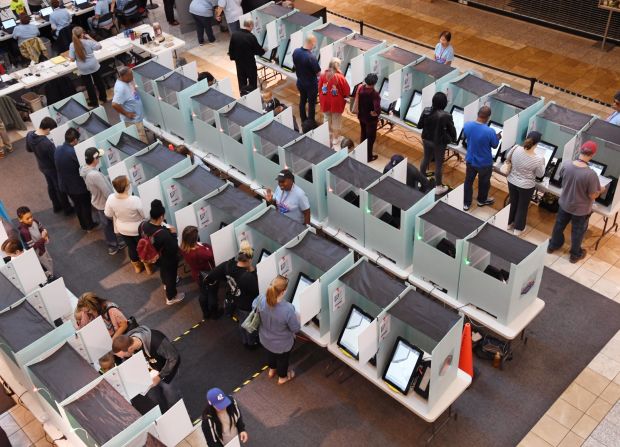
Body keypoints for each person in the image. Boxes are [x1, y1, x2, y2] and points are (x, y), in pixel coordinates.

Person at [548, 141, 606, 263]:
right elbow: (592, 195)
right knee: (578, 231)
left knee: (559, 225)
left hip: (564, 203)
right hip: (580, 210)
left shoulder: (566, 164)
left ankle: (553, 245)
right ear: (593, 154)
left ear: (580, 149)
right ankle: (575, 254)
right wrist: (601, 190)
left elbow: (563, 179)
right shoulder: (591, 174)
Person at [112, 326, 181, 412]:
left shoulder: (156, 342)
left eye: (123, 356)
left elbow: (174, 358)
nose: (123, 358)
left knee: (171, 394)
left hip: (167, 370)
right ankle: (166, 413)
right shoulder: (129, 341)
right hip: (152, 370)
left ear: (130, 349)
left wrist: (159, 377)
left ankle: (180, 413)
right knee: (155, 396)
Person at [206, 240, 258, 346]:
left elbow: (211, 276)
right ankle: (251, 344)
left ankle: (244, 340)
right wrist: (252, 270)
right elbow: (258, 290)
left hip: (235, 299)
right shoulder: (248, 277)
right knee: (250, 325)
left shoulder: (228, 265)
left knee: (242, 322)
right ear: (249, 259)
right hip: (247, 305)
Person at [253, 275, 300, 384]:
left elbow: (254, 308)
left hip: (265, 339)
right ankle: (282, 377)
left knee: (270, 353)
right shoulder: (288, 309)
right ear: (283, 292)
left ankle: (272, 369)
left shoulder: (261, 299)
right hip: (282, 344)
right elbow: (295, 329)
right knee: (283, 360)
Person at [81, 148, 126, 255]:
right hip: (104, 204)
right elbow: (107, 191)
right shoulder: (95, 175)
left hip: (98, 202)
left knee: (107, 225)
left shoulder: (85, 170)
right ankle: (113, 245)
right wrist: (116, 203)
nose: (100, 159)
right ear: (95, 159)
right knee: (109, 225)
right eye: (98, 157)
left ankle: (113, 244)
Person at [26, 117, 73, 214]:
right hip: (52, 168)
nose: (50, 133)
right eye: (51, 130)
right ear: (47, 129)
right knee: (59, 188)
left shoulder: (30, 135)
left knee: (50, 186)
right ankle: (67, 209)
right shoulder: (47, 144)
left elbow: (29, 149)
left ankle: (56, 206)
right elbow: (55, 159)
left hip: (42, 166)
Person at [141, 200, 184, 305]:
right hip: (167, 259)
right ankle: (171, 297)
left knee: (164, 271)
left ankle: (165, 283)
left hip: (155, 257)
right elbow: (174, 248)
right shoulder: (164, 234)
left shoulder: (144, 225)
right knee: (171, 276)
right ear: (161, 217)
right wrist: (173, 234)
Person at [55, 128, 98, 231]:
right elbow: (83, 168)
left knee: (77, 206)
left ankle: (83, 225)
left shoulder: (58, 149)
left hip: (65, 185)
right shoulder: (73, 153)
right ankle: (89, 225)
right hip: (78, 186)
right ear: (74, 140)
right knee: (85, 205)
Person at [104, 175, 148, 273]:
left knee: (131, 247)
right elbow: (145, 215)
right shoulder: (134, 200)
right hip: (137, 229)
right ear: (126, 187)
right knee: (142, 247)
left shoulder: (111, 198)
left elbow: (108, 214)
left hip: (122, 229)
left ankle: (137, 267)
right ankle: (147, 265)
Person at [506, 131, 545, 235]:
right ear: (537, 144)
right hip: (526, 186)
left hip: (511, 180)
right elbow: (540, 174)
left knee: (513, 202)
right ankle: (518, 229)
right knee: (522, 206)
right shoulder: (539, 159)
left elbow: (507, 158)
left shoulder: (516, 148)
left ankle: (508, 223)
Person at [462, 105, 500, 211]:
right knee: (484, 183)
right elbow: (494, 145)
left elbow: (467, 137)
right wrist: (497, 137)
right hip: (484, 163)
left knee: (468, 182)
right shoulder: (490, 131)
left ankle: (466, 203)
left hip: (470, 160)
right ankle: (481, 201)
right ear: (488, 118)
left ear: (478, 114)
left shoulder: (467, 125)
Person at [417, 91, 456, 194]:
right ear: (444, 104)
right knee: (439, 164)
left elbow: (419, 125)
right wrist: (452, 139)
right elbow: (452, 131)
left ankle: (421, 181)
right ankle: (438, 187)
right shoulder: (446, 116)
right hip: (438, 143)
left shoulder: (426, 111)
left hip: (426, 139)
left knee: (426, 158)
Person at [180, 225, 215, 320]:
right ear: (195, 239)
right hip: (207, 274)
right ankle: (214, 313)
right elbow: (211, 254)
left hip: (196, 274)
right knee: (212, 294)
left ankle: (206, 313)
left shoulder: (183, 248)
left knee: (203, 293)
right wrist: (206, 246)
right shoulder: (200, 251)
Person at [68, 27, 107, 108]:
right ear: (82, 34)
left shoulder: (72, 45)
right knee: (99, 82)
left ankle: (94, 102)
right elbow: (99, 46)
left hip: (83, 68)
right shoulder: (88, 42)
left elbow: (71, 59)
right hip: (93, 65)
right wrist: (90, 38)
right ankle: (103, 98)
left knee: (89, 86)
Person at [318, 57, 350, 148]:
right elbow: (346, 91)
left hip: (325, 100)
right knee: (336, 120)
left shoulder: (323, 74)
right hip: (336, 102)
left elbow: (319, 87)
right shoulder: (340, 77)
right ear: (338, 66)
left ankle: (327, 136)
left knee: (326, 118)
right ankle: (335, 139)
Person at [112, 67, 148, 144]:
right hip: (133, 122)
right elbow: (114, 104)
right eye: (131, 75)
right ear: (124, 76)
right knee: (141, 143)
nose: (132, 77)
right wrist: (127, 113)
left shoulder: (126, 82)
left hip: (137, 119)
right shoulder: (121, 88)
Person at [228, 19, 264, 94]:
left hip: (239, 64)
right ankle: (253, 96)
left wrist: (234, 58)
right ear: (250, 26)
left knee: (241, 82)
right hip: (250, 64)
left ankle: (243, 95)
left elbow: (231, 49)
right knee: (252, 82)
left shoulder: (235, 34)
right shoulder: (251, 37)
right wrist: (263, 51)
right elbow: (258, 50)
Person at [17, 206, 53, 277]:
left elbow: (41, 229)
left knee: (49, 261)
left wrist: (45, 235)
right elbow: (32, 247)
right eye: (27, 218)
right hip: (37, 253)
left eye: (31, 216)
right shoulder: (25, 232)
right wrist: (43, 238)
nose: (30, 219)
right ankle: (49, 277)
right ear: (20, 220)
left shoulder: (35, 221)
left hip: (43, 247)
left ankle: (49, 275)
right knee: (46, 266)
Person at [293, 34, 320, 125]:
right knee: (311, 104)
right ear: (312, 43)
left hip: (300, 82)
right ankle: (310, 122)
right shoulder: (311, 57)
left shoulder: (296, 52)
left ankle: (303, 120)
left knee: (302, 101)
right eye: (314, 44)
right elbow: (318, 73)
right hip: (311, 85)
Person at [356, 73, 381, 162]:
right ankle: (368, 157)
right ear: (374, 83)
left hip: (361, 116)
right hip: (370, 120)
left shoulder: (361, 88)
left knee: (363, 134)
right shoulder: (374, 94)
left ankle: (361, 153)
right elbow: (377, 108)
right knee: (370, 139)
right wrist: (375, 113)